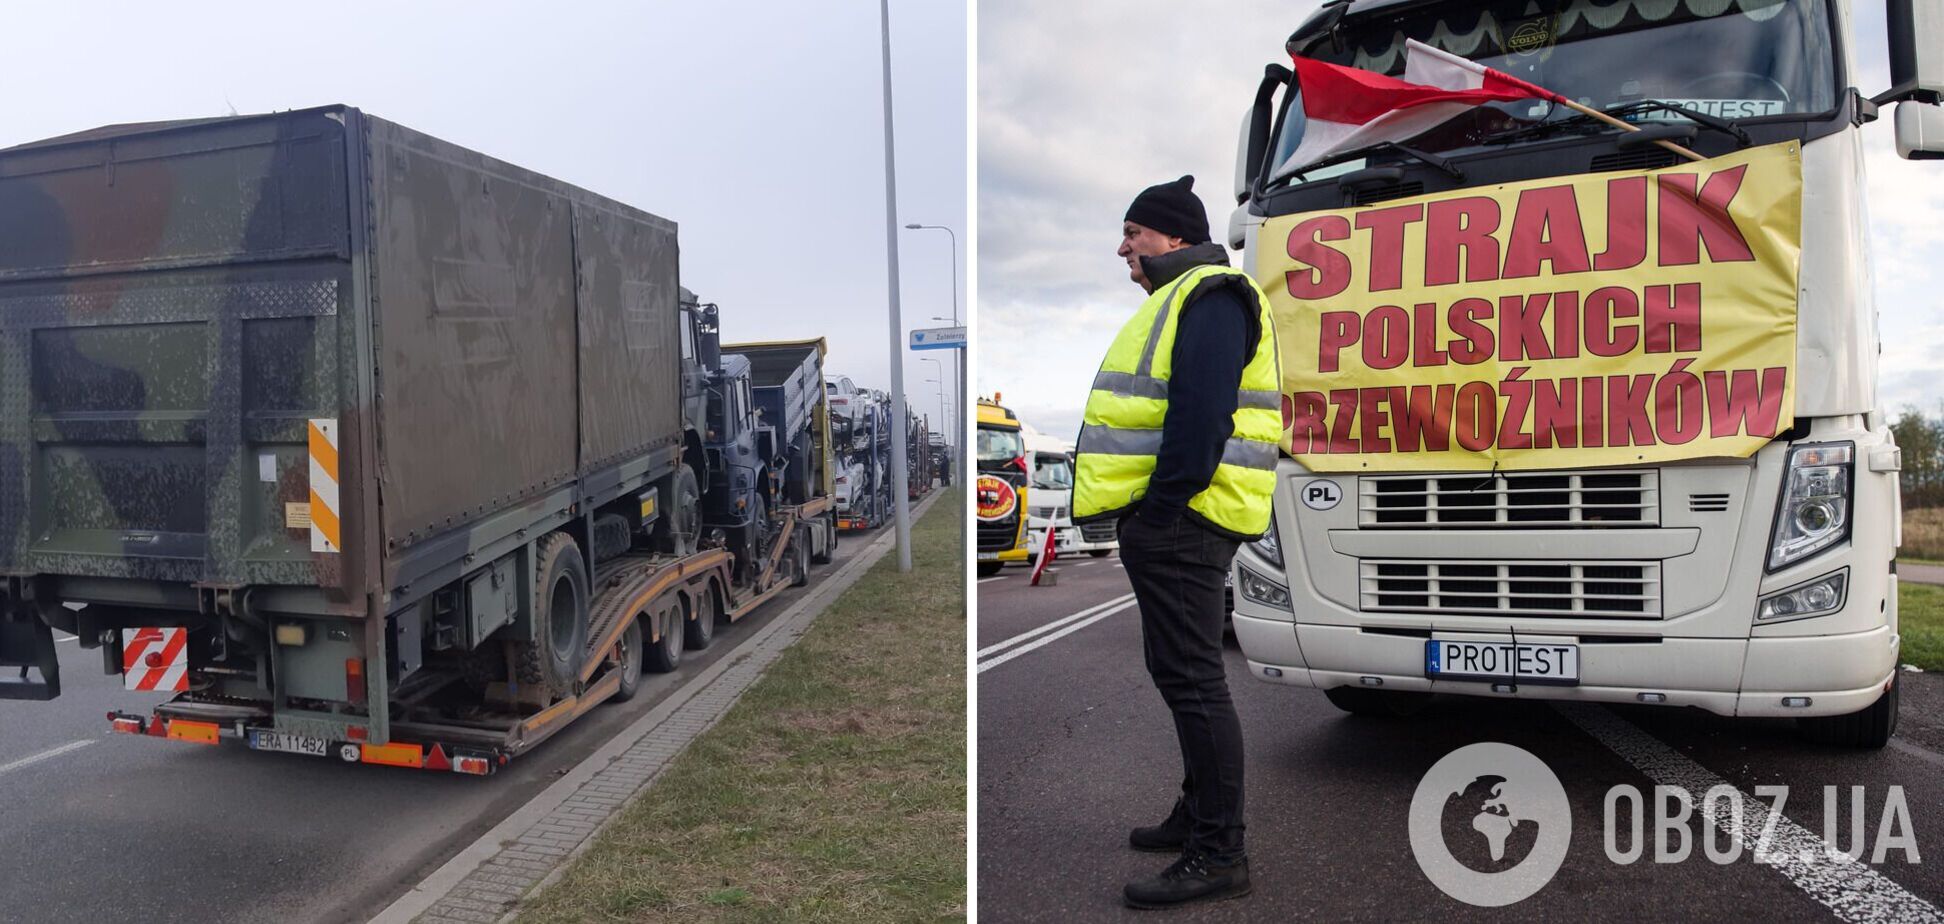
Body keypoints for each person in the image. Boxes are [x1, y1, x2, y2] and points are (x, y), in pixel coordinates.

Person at [1071, 175, 1282, 909]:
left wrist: (1158, 515)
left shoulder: (1212, 295)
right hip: (1183, 521)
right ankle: (1198, 813)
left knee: (1194, 681)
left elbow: (1201, 419)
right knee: (1179, 674)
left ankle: (1220, 852)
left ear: (1175, 237)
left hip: (1188, 522)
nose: (1123, 247)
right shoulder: (1187, 298)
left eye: (1133, 233)